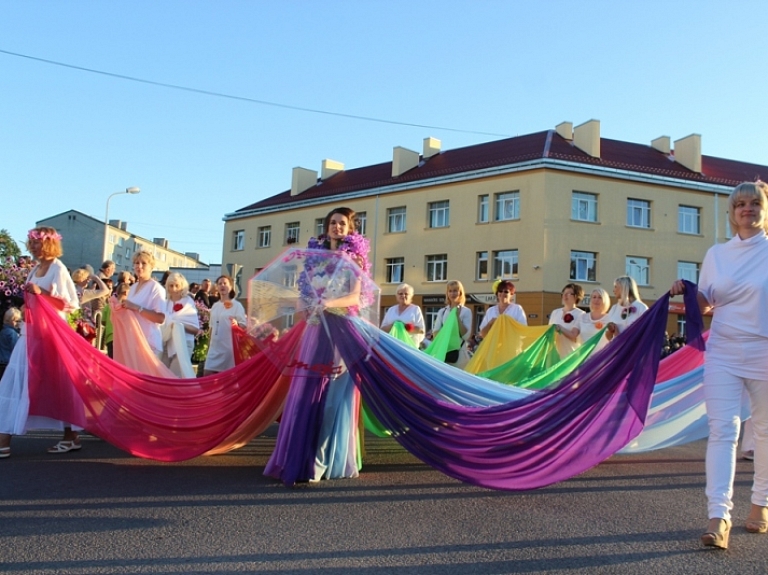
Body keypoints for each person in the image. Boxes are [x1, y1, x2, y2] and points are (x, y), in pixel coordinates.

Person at [671, 181, 768, 549]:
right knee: (722, 430)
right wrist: (688, 289)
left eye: (755, 202)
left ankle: (760, 502)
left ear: (764, 209)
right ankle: (719, 516)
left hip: (764, 349)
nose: (747, 208)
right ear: (731, 213)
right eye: (740, 204)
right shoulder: (717, 254)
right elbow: (708, 303)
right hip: (724, 349)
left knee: (763, 430)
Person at [265, 206, 371, 484]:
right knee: (305, 395)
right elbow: (304, 293)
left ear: (350, 229)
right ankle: (298, 456)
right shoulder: (315, 259)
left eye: (342, 224)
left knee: (333, 400)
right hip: (316, 330)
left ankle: (322, 462)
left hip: (341, 331)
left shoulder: (354, 260)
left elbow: (355, 298)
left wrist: (327, 303)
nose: (336, 227)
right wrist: (307, 306)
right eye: (332, 223)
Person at [0, 226, 80, 457]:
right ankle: (5, 437)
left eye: (38, 241)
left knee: (58, 383)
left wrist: (41, 293)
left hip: (52, 334)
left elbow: (71, 304)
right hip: (32, 332)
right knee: (19, 378)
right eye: (31, 241)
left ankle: (70, 435)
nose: (33, 245)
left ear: (49, 244)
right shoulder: (35, 268)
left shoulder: (58, 269)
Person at [120, 251, 166, 358]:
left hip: (148, 342)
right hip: (133, 340)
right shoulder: (133, 288)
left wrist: (136, 307)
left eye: (144, 263)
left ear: (151, 267)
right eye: (136, 263)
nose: (139, 266)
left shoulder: (156, 288)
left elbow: (160, 318)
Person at [202, 275, 246, 375]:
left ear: (230, 287)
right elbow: (211, 328)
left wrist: (237, 324)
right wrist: (209, 347)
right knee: (207, 375)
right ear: (217, 287)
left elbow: (243, 325)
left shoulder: (237, 305)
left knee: (227, 381)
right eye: (220, 283)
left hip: (228, 349)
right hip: (214, 349)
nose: (222, 285)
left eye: (225, 283)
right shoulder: (215, 306)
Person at [161, 272, 200, 377]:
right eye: (171, 285)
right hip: (167, 343)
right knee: (162, 374)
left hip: (184, 343)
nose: (174, 289)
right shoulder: (164, 303)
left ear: (182, 287)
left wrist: (178, 325)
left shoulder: (188, 303)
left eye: (177, 285)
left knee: (175, 376)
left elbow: (195, 329)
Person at [432, 280, 473, 368]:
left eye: (455, 290)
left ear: (460, 293)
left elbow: (465, 336)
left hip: (459, 356)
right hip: (443, 353)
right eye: (450, 291)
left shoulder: (466, 311)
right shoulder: (442, 312)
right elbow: (435, 333)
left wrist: (457, 317)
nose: (452, 293)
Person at [566, 288, 612, 354]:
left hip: (602, 359)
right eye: (594, 297)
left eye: (600, 297)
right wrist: (559, 328)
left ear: (605, 300)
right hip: (584, 359)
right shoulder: (582, 317)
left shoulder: (610, 318)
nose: (596, 300)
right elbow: (573, 335)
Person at [70, 267, 110, 343]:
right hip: (84, 326)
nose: (88, 280)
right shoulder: (83, 293)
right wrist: (97, 278)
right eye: (86, 278)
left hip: (73, 324)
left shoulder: (71, 290)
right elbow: (105, 290)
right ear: (81, 279)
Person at [380, 283, 425, 347]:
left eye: (406, 294)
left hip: (409, 347)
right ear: (396, 296)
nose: (403, 296)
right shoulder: (391, 310)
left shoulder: (415, 309)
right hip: (392, 346)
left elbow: (421, 330)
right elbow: (382, 330)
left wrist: (404, 327)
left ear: (411, 296)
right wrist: (394, 325)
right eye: (400, 293)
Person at [549, 283, 586, 359]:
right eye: (563, 293)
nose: (565, 296)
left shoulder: (581, 314)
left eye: (568, 293)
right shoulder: (555, 312)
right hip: (554, 357)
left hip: (570, 356)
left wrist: (560, 328)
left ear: (576, 296)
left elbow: (575, 337)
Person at [103, 282, 129, 359]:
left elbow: (103, 321)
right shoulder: (126, 307)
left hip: (110, 338)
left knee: (112, 361)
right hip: (122, 338)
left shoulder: (108, 306)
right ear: (126, 293)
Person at [0, 308, 21, 380]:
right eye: (17, 321)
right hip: (8, 362)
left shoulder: (3, 331)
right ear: (11, 321)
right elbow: (16, 349)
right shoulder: (12, 333)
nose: (19, 323)